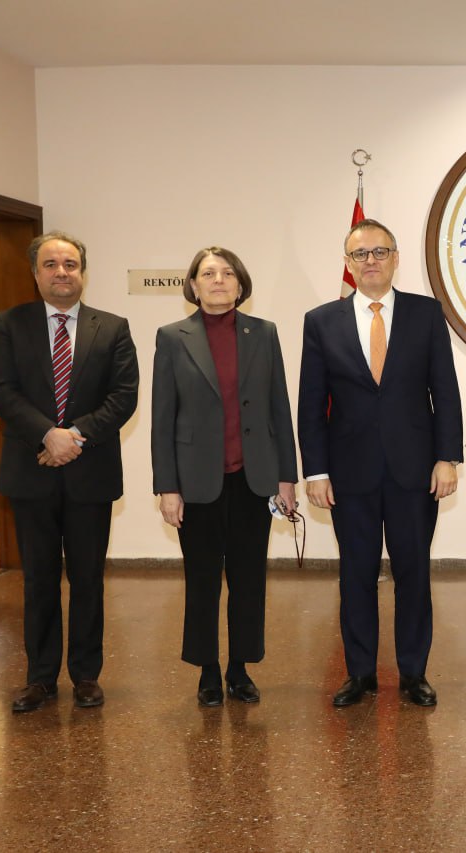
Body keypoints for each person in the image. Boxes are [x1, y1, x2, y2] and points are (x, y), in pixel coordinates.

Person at [299, 218, 463, 708]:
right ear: (347, 264)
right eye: (360, 254)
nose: (370, 261)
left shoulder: (426, 314)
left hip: (415, 471)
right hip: (349, 474)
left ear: (395, 258)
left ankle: (413, 673)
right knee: (356, 575)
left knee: (414, 572)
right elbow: (311, 403)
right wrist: (316, 471)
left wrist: (447, 458)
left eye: (379, 252)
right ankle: (360, 674)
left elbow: (445, 391)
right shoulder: (321, 321)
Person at [0, 231, 138, 713]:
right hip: (31, 473)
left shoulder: (112, 327)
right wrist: (46, 435)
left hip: (89, 473)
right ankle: (40, 678)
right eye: (50, 264)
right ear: (36, 273)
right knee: (38, 579)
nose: (61, 272)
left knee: (88, 578)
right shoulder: (10, 324)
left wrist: (72, 436)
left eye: (70, 264)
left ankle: (86, 675)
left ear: (82, 272)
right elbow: (1, 389)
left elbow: (124, 395)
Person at [151, 246, 299, 707]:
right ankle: (208, 671)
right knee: (202, 581)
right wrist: (167, 487)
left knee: (248, 580)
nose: (219, 280)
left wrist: (287, 477)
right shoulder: (172, 337)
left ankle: (239, 668)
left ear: (240, 285)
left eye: (228, 273)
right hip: (196, 483)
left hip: (254, 479)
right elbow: (162, 418)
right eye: (208, 273)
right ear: (193, 286)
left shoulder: (264, 333)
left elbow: (279, 408)